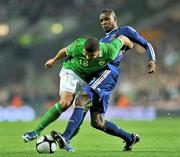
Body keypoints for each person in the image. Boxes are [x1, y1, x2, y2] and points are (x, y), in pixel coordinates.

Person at [51, 9, 156, 152]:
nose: (104, 22)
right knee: (97, 122)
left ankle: (65, 137)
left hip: (108, 73)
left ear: (115, 19)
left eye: (107, 19)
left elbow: (146, 44)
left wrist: (152, 60)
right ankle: (130, 138)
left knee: (82, 99)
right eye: (101, 20)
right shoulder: (102, 41)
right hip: (100, 75)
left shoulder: (124, 31)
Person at [22, 35, 133, 144]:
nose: (87, 57)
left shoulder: (110, 50)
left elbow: (122, 38)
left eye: (91, 55)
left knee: (81, 110)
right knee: (65, 102)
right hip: (72, 72)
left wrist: (131, 45)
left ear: (99, 51)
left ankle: (67, 140)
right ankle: (35, 131)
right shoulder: (78, 45)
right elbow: (64, 51)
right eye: (85, 54)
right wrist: (53, 60)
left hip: (88, 79)